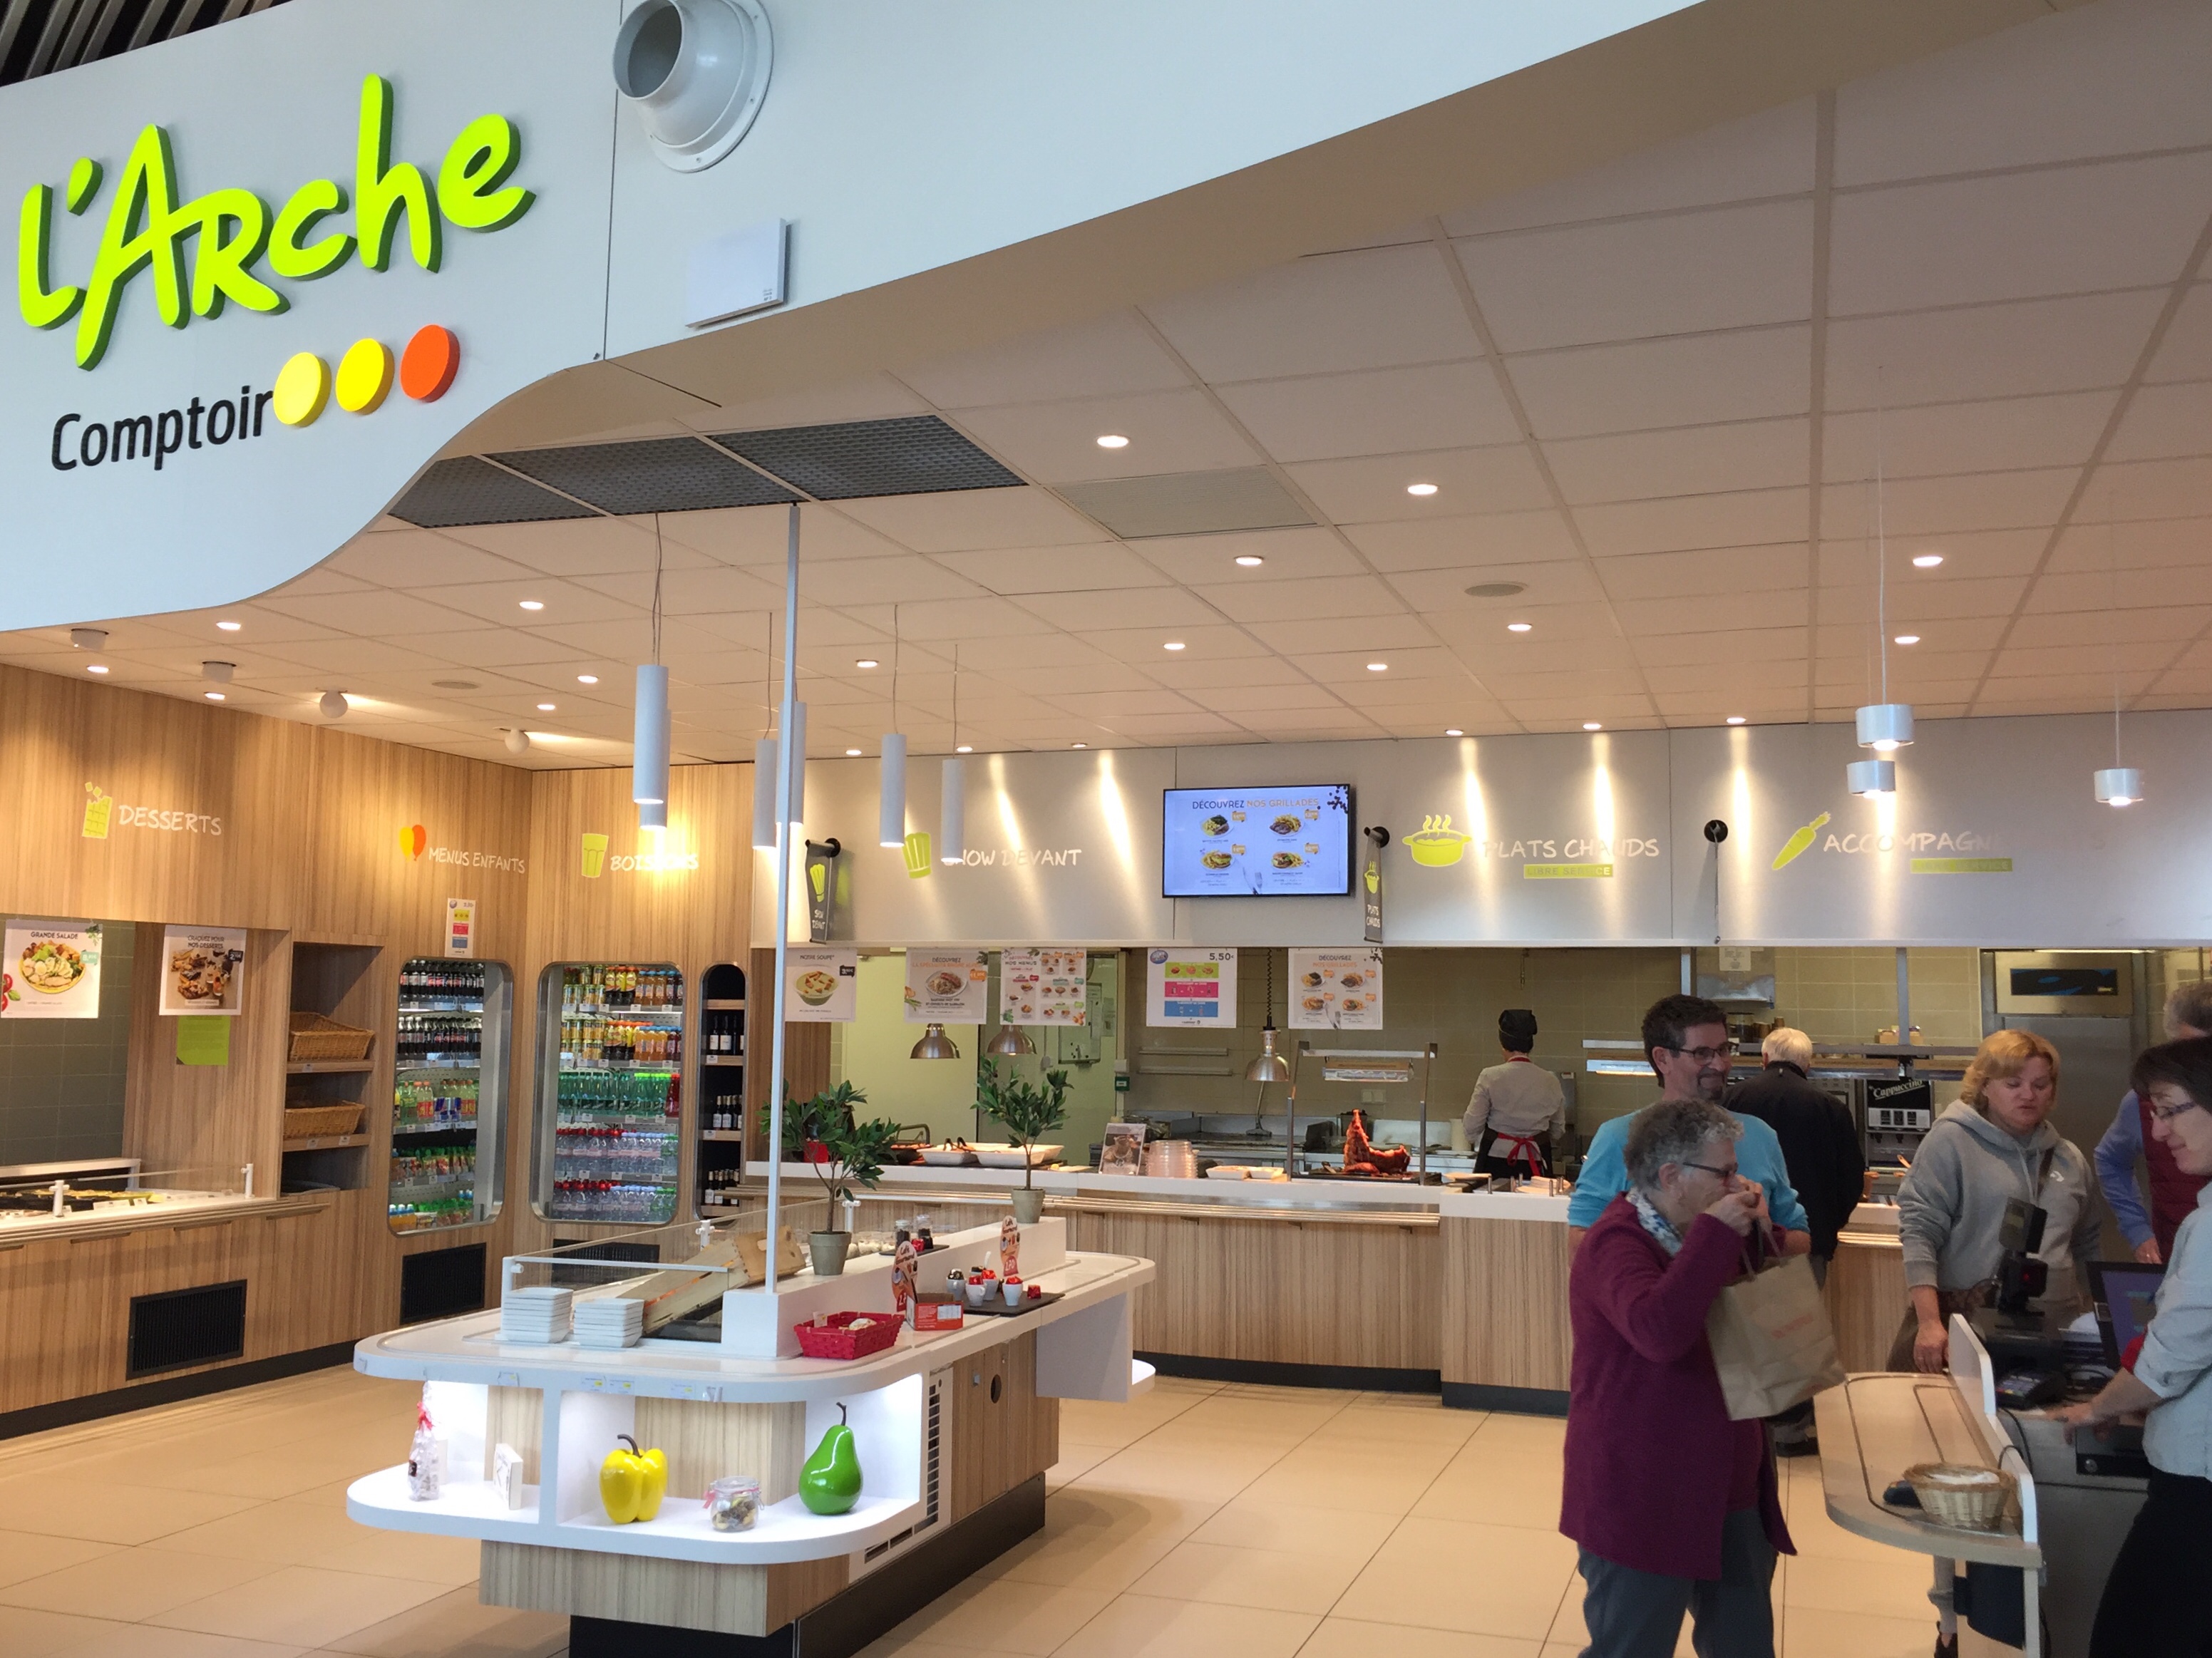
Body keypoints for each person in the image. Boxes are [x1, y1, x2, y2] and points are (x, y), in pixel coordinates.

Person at [1561, 1096, 1794, 1658]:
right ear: (1671, 1176)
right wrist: (1717, 1232)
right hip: (1643, 1490)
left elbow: (1747, 1297)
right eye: (1724, 1173)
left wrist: (1756, 1228)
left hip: (1728, 1479)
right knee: (1633, 1643)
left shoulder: (1696, 1229)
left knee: (1742, 1642)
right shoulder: (1615, 1242)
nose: (1736, 1184)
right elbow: (1658, 1332)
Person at [2059, 1036, 2212, 1658]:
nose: (2158, 1131)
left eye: (2170, 1109)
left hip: (2197, 1491)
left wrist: (2096, 1407)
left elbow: (2169, 1356)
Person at [1892, 1028, 2101, 1374]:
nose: (2028, 1095)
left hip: (2054, 1334)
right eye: (2013, 1084)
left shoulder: (2069, 1158)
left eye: (2040, 1084)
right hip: (1968, 1328)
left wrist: (2097, 1322)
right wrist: (1929, 1323)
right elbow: (1920, 1234)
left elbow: (2088, 1245)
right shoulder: (1951, 1141)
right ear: (1985, 1086)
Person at [1568, 994, 1812, 1259]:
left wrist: (1763, 1230)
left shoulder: (1760, 1135)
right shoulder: (1619, 1138)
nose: (1720, 1064)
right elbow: (1579, 1249)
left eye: (1723, 1050)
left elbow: (1801, 1240)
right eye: (1702, 1054)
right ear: (1662, 1059)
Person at [1727, 1026, 1865, 1287]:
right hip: (1808, 1240)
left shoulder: (1731, 1099)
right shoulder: (1831, 1107)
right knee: (1799, 1313)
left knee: (1740, 1312)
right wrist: (1828, 1226)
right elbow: (1852, 1178)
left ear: (1765, 1059)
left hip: (1744, 1243)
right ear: (1808, 1065)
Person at [2094, 980, 2212, 1265]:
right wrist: (2138, 1231)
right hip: (2176, 1258)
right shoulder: (2141, 1104)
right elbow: (2110, 1159)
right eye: (2188, 1051)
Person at [1465, 1007, 1567, 1178]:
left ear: (1503, 1044)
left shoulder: (1490, 1076)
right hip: (1536, 1160)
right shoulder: (1550, 1080)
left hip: (1495, 1161)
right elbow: (1558, 1131)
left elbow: (1471, 1127)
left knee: (1494, 1197)